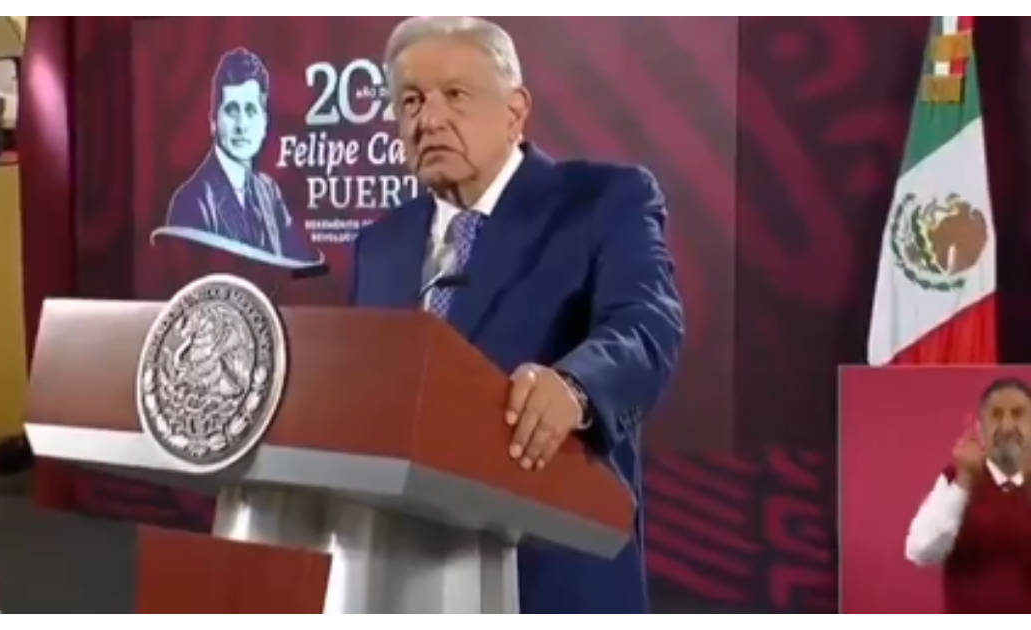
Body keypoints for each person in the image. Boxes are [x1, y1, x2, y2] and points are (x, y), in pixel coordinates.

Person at [351, 17, 684, 613]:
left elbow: (647, 326)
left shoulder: (604, 200)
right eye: (410, 101)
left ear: (515, 110)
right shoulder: (380, 244)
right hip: (400, 578)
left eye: (455, 95)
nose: (428, 120)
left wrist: (575, 387)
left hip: (550, 574)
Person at [156, 47, 320, 268]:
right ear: (213, 121)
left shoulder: (269, 192)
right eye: (232, 110)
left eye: (251, 110)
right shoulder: (192, 202)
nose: (242, 125)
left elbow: (301, 265)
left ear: (264, 123)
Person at [905, 377, 1031, 613]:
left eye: (1017, 414)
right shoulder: (955, 477)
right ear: (980, 429)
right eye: (996, 415)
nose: (1006, 427)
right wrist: (964, 484)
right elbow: (920, 551)